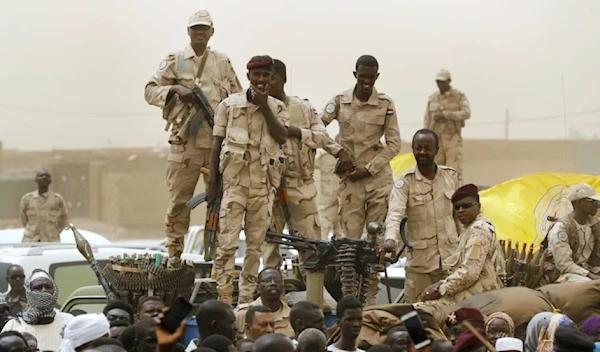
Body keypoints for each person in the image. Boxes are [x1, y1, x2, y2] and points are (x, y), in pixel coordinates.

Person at [144, 10, 242, 258]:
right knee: (179, 202)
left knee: (221, 203)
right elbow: (149, 91)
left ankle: (220, 258)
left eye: (204, 28)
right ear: (188, 32)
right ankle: (174, 255)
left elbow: (238, 100)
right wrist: (175, 90)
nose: (200, 32)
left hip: (217, 145)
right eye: (195, 28)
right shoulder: (176, 60)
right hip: (185, 144)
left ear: (212, 32)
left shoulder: (222, 62)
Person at [320, 54, 401, 305]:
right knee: (350, 244)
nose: (366, 82)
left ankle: (369, 299)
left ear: (377, 76)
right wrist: (338, 151)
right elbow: (317, 128)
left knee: (374, 244)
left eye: (371, 77)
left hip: (377, 180)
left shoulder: (386, 104)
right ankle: (350, 299)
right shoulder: (339, 101)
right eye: (362, 76)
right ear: (355, 75)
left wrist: (370, 168)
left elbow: (394, 144)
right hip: (350, 181)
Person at [207, 55, 289, 305]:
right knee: (227, 244)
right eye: (257, 75)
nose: (262, 80)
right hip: (235, 186)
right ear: (249, 77)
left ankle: (244, 299)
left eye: (267, 75)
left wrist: (264, 106)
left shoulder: (277, 108)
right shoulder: (229, 106)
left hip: (263, 189)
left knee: (255, 247)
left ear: (272, 78)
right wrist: (212, 183)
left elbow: (282, 136)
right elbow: (216, 144)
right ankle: (223, 296)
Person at [261, 58, 347, 269]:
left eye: (272, 78)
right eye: (264, 78)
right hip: (268, 186)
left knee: (311, 245)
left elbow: (323, 137)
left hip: (300, 184)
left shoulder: (303, 108)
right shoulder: (255, 110)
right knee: (269, 243)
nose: (267, 83)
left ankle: (312, 295)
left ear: (283, 79)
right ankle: (271, 294)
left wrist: (297, 132)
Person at [382, 129, 460, 303]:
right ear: (413, 149)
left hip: (450, 262)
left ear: (437, 150)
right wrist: (390, 240)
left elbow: (460, 215)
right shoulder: (405, 183)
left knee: (452, 315)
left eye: (427, 148)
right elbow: (395, 214)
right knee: (416, 315)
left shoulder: (451, 177)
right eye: (418, 148)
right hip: (420, 266)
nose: (422, 152)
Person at [421, 184, 504, 304]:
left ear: (478, 206)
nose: (461, 210)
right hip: (470, 293)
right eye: (457, 207)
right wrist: (442, 283)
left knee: (421, 309)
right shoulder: (468, 230)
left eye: (466, 206)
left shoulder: (479, 229)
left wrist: (441, 289)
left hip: (478, 297)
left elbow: (470, 273)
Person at [1, 269, 74, 351]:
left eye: (48, 287)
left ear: (55, 291)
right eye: (38, 287)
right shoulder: (14, 325)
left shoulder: (69, 321)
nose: (44, 291)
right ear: (29, 293)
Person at [423, 69, 471, 183]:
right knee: (434, 172)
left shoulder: (459, 96)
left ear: (449, 81)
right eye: (438, 82)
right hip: (436, 141)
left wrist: (446, 115)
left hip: (452, 139)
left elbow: (466, 113)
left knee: (453, 172)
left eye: (442, 82)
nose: (440, 85)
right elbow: (427, 119)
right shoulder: (432, 98)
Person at [546, 183, 600, 283]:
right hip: (563, 274)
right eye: (593, 202)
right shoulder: (561, 228)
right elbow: (564, 265)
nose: (597, 205)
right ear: (580, 203)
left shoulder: (595, 225)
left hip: (588, 269)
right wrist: (591, 276)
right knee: (589, 285)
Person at [234, 268, 294, 338]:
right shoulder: (241, 314)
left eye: (277, 281)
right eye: (267, 281)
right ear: (258, 288)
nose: (273, 283)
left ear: (282, 286)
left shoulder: (292, 316)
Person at [20, 169, 69, 242]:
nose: (44, 178)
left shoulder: (57, 200)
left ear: (50, 181)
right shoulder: (27, 199)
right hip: (30, 240)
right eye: (41, 176)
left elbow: (63, 220)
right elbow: (24, 219)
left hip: (51, 240)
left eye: (47, 176)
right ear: (36, 180)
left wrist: (54, 232)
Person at [316, 145, 343, 239]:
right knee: (328, 204)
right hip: (331, 152)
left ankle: (339, 238)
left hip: (337, 151)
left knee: (339, 206)